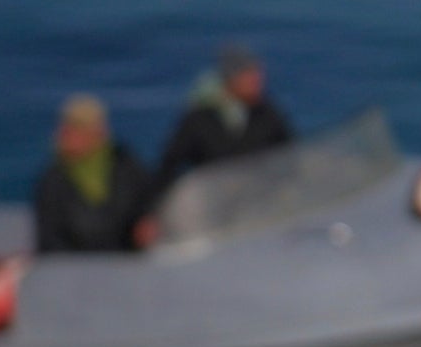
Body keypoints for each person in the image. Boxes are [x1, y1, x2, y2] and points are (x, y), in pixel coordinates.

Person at [30, 95, 158, 253]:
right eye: (66, 130)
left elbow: (146, 202)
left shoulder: (126, 164)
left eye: (76, 130)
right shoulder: (53, 179)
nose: (64, 136)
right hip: (78, 263)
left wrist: (145, 222)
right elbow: (49, 240)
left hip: (126, 260)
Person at [157, 44, 295, 185]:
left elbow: (291, 154)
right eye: (251, 78)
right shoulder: (199, 118)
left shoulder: (267, 113)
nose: (258, 84)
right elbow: (170, 163)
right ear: (232, 80)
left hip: (260, 193)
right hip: (215, 195)